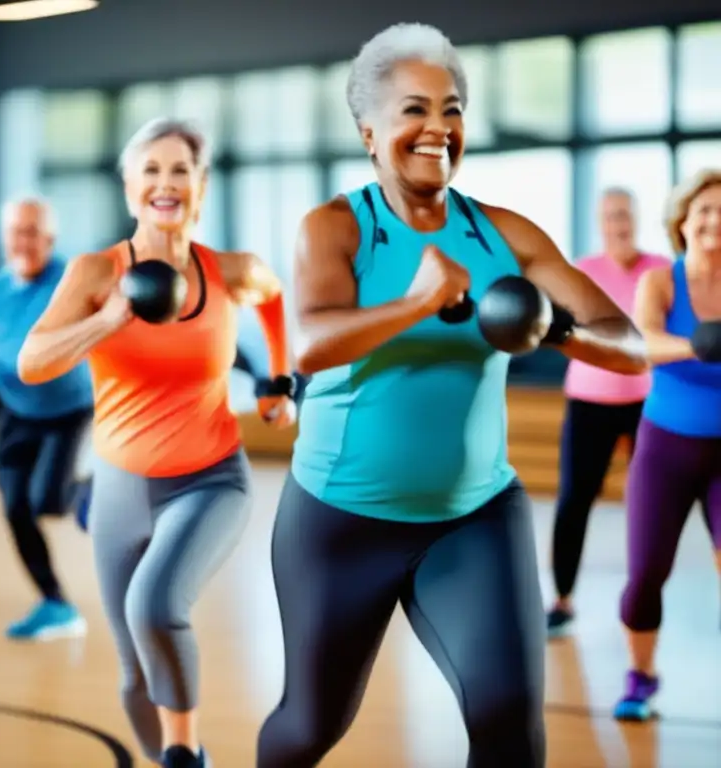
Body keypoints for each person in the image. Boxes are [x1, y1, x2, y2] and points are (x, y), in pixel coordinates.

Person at [254, 23, 647, 768]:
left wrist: (549, 327)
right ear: (370, 131)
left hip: (472, 521)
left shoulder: (505, 234)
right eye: (414, 109)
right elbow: (311, 343)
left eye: (453, 108)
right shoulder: (336, 227)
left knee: (507, 721)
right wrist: (417, 301)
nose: (438, 127)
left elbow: (625, 346)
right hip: (340, 524)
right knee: (311, 727)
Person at [18, 117, 296, 768]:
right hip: (118, 491)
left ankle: (181, 754)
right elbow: (33, 363)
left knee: (157, 604)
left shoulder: (232, 271)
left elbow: (275, 297)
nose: (165, 184)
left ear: (201, 185)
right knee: (134, 675)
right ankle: (179, 752)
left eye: (180, 171)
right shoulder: (95, 273)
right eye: (150, 170)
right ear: (128, 187)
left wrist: (277, 380)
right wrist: (109, 319)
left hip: (210, 481)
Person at [615, 169, 721, 722]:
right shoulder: (661, 281)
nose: (714, 221)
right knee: (646, 574)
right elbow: (643, 343)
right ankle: (641, 675)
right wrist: (697, 343)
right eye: (705, 210)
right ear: (684, 220)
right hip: (666, 450)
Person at [0, 195, 90, 641]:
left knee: (48, 501)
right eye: (17, 231)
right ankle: (55, 603)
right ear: (4, 237)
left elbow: (41, 353)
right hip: (17, 411)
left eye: (33, 232)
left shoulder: (71, 282)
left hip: (67, 409)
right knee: (15, 505)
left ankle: (90, 491)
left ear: (50, 238)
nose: (24, 241)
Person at [546, 189, 670, 637]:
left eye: (625, 215)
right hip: (589, 402)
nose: (619, 223)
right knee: (574, 500)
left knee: (652, 504)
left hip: (647, 404)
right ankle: (562, 598)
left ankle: (644, 596)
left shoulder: (660, 270)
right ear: (601, 222)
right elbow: (563, 334)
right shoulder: (583, 271)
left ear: (637, 219)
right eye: (611, 216)